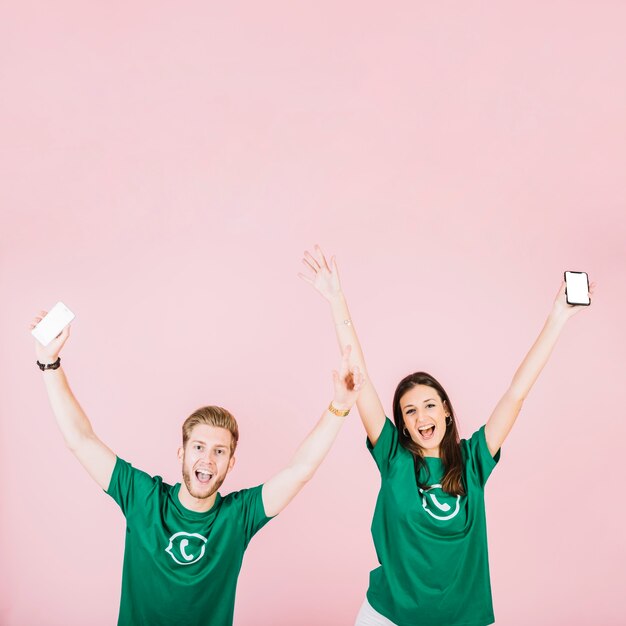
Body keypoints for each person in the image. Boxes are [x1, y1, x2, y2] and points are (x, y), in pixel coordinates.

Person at [299, 246, 593, 626]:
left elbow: (516, 393)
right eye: (409, 410)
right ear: (402, 424)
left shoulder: (473, 460)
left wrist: (558, 316)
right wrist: (337, 300)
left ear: (447, 411)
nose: (421, 416)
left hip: (463, 618)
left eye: (429, 405)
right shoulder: (393, 457)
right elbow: (361, 376)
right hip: (389, 616)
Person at [30, 309, 364, 626]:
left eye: (219, 451)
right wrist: (49, 362)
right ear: (181, 454)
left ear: (231, 464)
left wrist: (339, 407)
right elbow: (80, 440)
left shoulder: (237, 517)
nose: (207, 459)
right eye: (199, 448)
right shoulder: (143, 498)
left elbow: (300, 470)